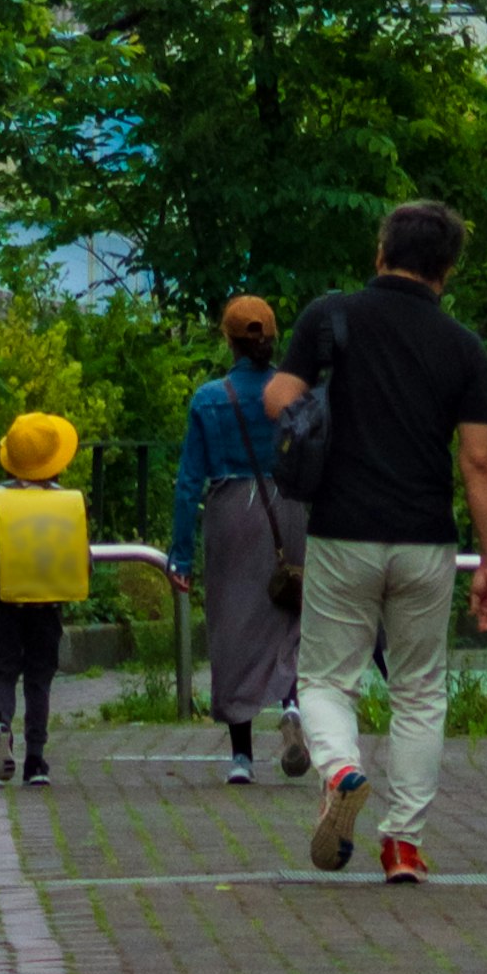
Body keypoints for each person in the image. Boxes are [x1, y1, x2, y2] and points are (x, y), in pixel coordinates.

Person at [265, 196, 487, 886]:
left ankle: (340, 769)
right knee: (421, 691)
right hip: (426, 539)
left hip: (343, 530)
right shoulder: (464, 347)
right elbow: (480, 459)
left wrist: (324, 413)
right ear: (448, 269)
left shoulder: (330, 317)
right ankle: (403, 844)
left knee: (324, 679)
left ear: (380, 252)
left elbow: (277, 396)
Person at [169, 293, 306, 783]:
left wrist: (179, 556)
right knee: (290, 610)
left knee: (232, 628)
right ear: (273, 339)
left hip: (230, 511)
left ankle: (242, 758)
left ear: (227, 341)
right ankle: (292, 706)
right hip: (289, 507)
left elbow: (188, 484)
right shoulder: (296, 393)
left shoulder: (209, 399)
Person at [0, 407, 88, 786]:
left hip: (5, 603)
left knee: (3, 672)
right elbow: (81, 556)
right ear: (55, 462)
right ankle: (36, 761)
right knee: (39, 679)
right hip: (49, 604)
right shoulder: (67, 501)